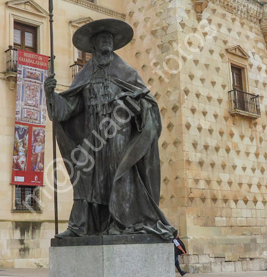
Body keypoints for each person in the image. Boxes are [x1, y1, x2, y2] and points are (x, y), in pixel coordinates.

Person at [44, 19, 175, 240]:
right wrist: (51, 95)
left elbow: (147, 101)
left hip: (118, 134)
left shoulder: (126, 72)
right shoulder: (85, 74)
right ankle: (80, 226)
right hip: (92, 135)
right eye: (102, 39)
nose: (107, 41)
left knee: (118, 174)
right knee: (84, 178)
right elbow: (67, 109)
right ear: (93, 46)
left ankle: (120, 222)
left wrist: (134, 103)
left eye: (110, 39)